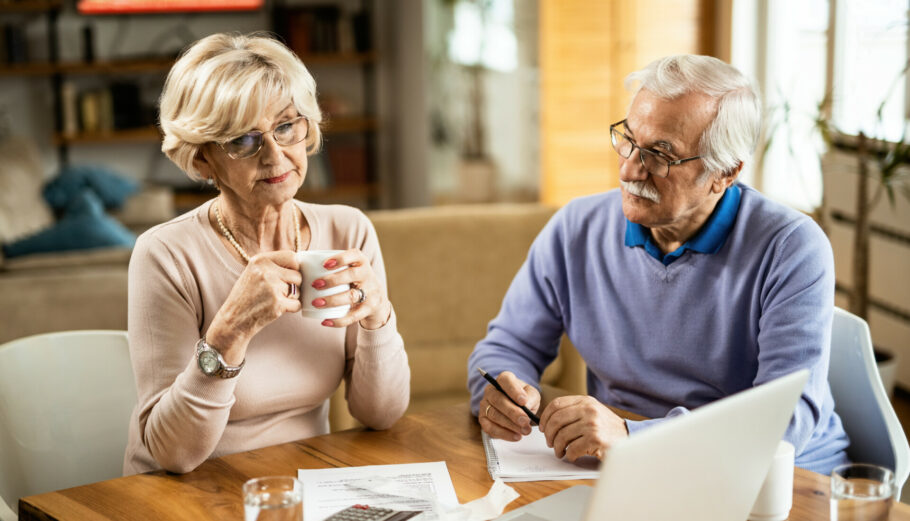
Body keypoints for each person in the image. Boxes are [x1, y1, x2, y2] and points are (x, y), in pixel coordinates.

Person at [467, 54, 850, 475]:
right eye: (628, 139)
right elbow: (507, 345)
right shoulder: (576, 229)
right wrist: (504, 392)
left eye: (661, 154)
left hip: (771, 478)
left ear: (725, 173)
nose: (630, 167)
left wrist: (633, 437)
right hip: (627, 470)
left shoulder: (792, 248)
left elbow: (782, 423)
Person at [124, 32, 409, 475]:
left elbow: (380, 415)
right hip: (185, 493)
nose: (276, 155)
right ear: (203, 160)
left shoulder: (347, 230)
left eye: (286, 126)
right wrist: (229, 332)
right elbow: (173, 454)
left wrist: (378, 319)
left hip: (302, 486)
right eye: (243, 140)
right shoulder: (165, 253)